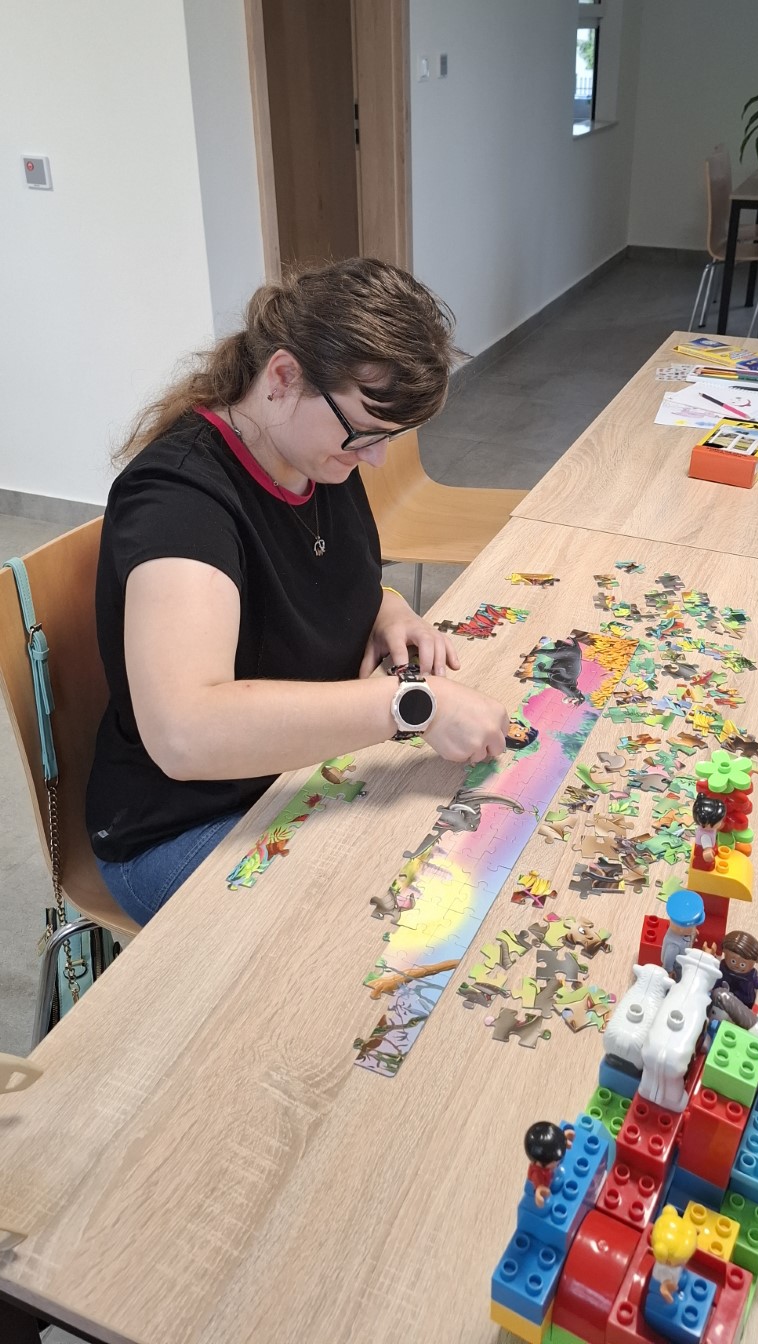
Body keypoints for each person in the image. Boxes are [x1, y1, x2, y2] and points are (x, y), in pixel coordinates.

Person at [86, 259, 510, 925]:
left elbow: (301, 577)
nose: (374, 457)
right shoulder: (179, 500)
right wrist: (414, 705)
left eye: (389, 438)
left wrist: (386, 606)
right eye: (365, 432)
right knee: (383, 927)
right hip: (188, 824)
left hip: (298, 773)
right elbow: (186, 732)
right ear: (283, 378)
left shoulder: (315, 456)